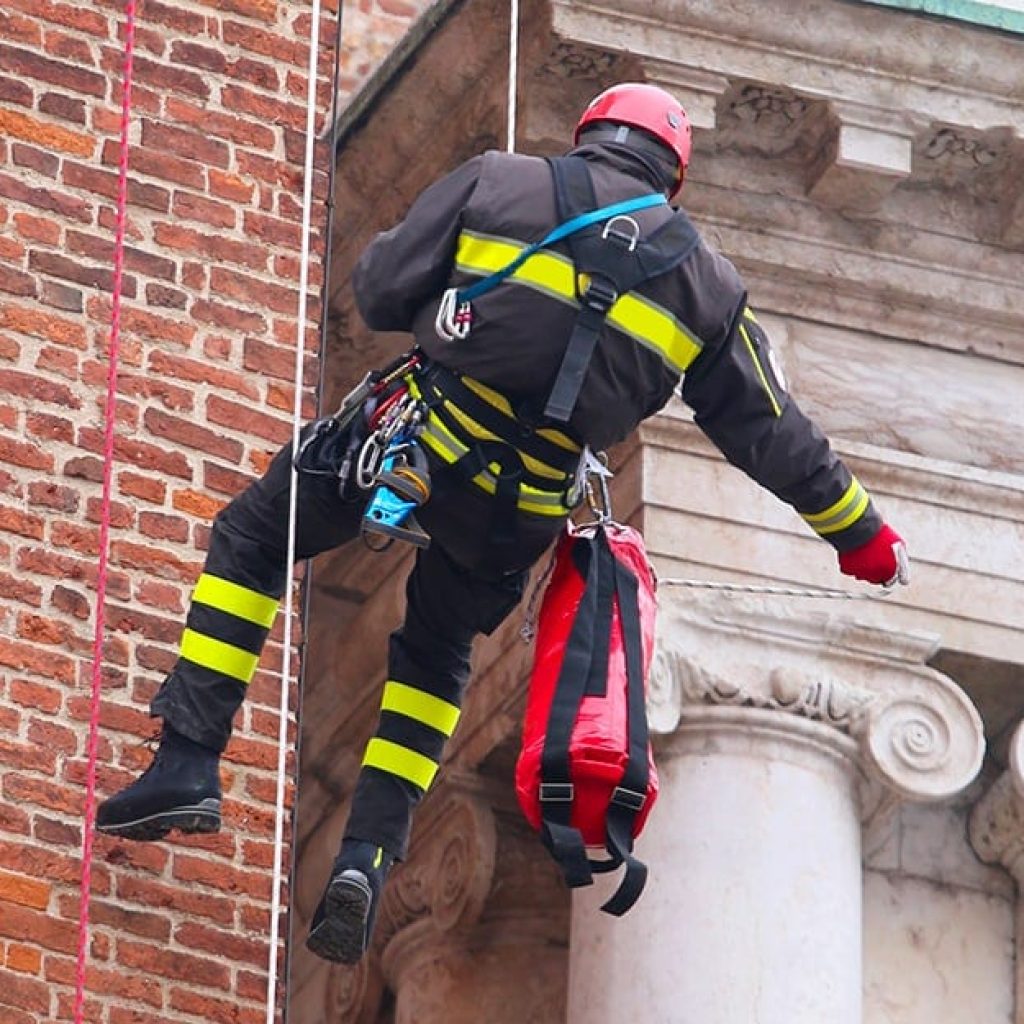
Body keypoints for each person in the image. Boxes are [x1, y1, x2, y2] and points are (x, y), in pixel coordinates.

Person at [96, 82, 909, 964]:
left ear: (589, 136)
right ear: (673, 181)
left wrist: (451, 313)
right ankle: (366, 859)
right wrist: (859, 532)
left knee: (254, 537)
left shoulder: (499, 184)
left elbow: (375, 289)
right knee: (435, 659)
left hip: (422, 442)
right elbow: (769, 427)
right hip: (517, 513)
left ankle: (186, 759)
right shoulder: (707, 287)